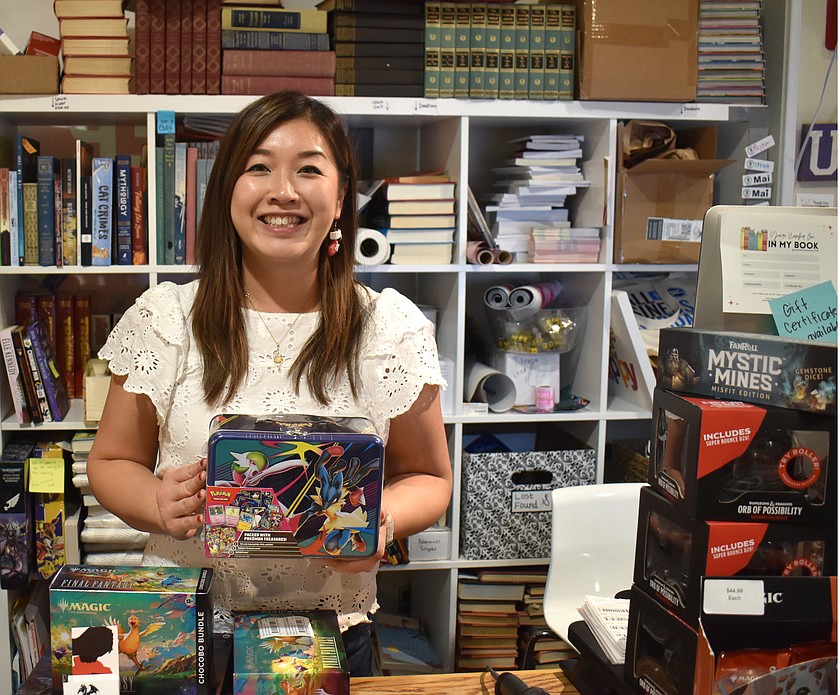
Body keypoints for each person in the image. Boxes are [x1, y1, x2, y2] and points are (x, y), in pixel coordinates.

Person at [87, 91, 453, 676]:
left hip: (330, 634)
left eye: (309, 169)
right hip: (182, 628)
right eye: (258, 167)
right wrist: (157, 503)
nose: (283, 190)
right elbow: (110, 463)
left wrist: (380, 521)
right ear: (227, 189)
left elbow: (430, 476)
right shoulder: (165, 318)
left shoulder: (390, 327)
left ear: (339, 197)